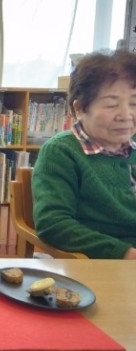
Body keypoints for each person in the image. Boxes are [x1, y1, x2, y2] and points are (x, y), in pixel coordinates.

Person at [32, 49, 136, 259]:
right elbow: (53, 224)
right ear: (79, 108)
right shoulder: (62, 152)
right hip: (97, 265)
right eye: (111, 104)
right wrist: (124, 253)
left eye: (134, 103)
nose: (126, 115)